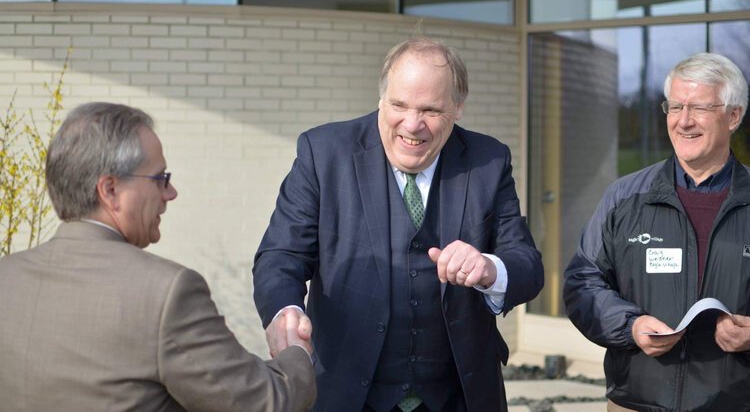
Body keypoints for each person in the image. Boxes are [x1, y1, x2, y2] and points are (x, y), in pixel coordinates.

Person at [253, 36, 544, 412]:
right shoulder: (324, 153)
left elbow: (527, 264)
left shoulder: (488, 160)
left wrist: (490, 268)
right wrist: (284, 312)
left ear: (457, 107)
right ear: (381, 98)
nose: (412, 124)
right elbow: (280, 255)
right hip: (346, 394)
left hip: (459, 397)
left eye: (430, 110)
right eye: (399, 105)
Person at [0, 102, 316, 412]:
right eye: (160, 178)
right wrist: (296, 351)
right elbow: (264, 402)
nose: (170, 193)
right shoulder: (167, 293)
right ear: (110, 190)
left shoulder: (7, 277)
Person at [564, 52, 750, 412]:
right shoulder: (624, 197)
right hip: (636, 403)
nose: (684, 121)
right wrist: (630, 326)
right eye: (675, 106)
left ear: (733, 116)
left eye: (699, 107)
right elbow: (582, 283)